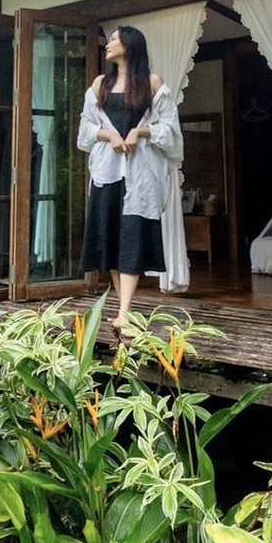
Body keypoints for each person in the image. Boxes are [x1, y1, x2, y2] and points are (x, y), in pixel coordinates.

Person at [77, 25, 183, 331]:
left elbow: (171, 129)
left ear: (130, 44)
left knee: (132, 237)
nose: (107, 45)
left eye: (113, 39)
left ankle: (125, 311)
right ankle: (123, 310)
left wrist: (141, 131)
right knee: (111, 237)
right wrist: (108, 134)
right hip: (107, 174)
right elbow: (84, 130)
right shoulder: (100, 84)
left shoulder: (152, 83)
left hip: (140, 175)